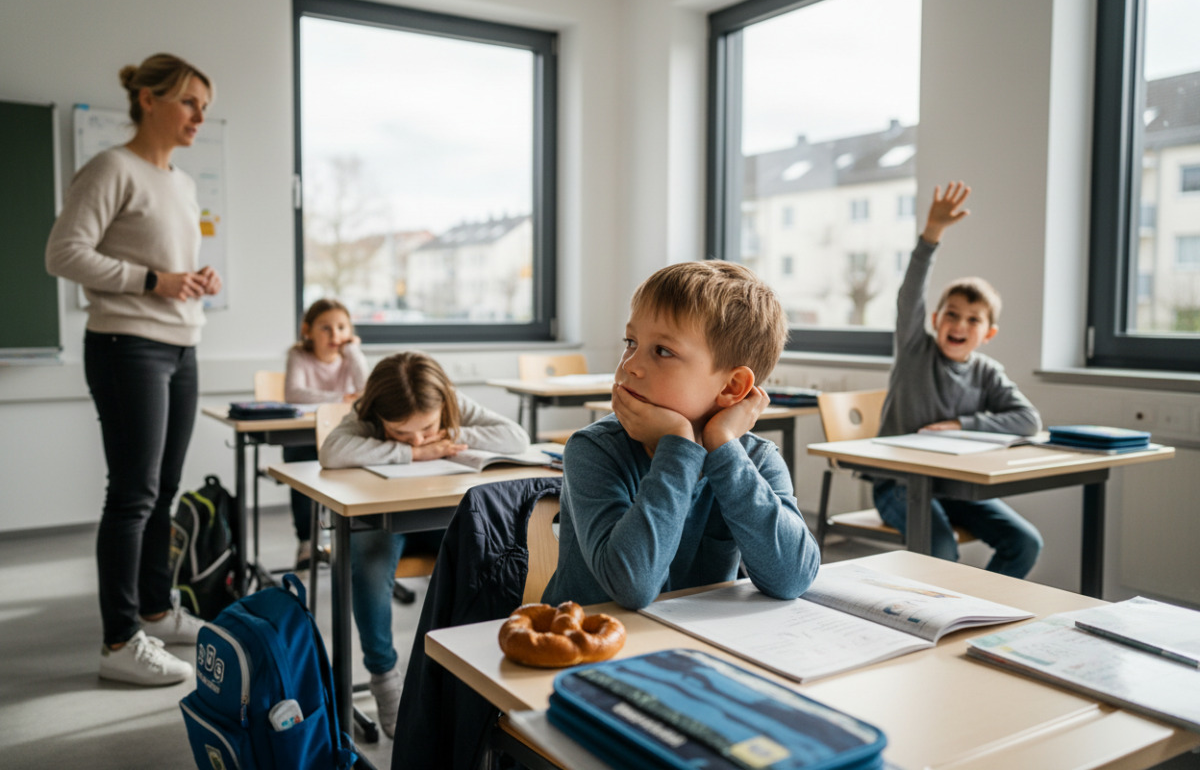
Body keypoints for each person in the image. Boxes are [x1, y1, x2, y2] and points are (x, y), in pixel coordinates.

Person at [45, 53, 220, 685]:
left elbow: (167, 271)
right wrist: (155, 280)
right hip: (127, 347)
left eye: (205, 104)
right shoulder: (111, 167)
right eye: (189, 102)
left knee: (164, 489)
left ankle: (155, 607)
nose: (200, 114)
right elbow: (63, 253)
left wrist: (192, 280)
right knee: (133, 495)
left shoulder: (184, 182)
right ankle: (119, 643)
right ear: (148, 99)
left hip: (182, 344)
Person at [542, 260, 821, 611]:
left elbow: (792, 578)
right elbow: (632, 587)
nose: (629, 365)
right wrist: (679, 443)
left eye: (662, 351)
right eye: (631, 342)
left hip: (699, 644)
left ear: (733, 387)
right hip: (593, 645)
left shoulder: (755, 459)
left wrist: (723, 446)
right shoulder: (594, 450)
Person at [318, 351, 528, 739]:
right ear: (379, 418)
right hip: (381, 520)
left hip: (435, 517)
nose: (416, 437)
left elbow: (517, 437)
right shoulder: (367, 413)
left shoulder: (449, 403)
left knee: (487, 549)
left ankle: (471, 673)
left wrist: (451, 435)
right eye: (400, 432)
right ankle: (384, 678)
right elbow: (332, 451)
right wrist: (413, 452)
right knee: (368, 568)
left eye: (426, 428)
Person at [874, 181, 1043, 578]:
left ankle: (983, 608)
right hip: (899, 484)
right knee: (941, 550)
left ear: (988, 333)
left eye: (973, 319)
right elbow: (909, 295)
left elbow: (1028, 420)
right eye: (951, 314)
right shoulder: (917, 350)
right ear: (935, 320)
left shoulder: (986, 371)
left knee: (1024, 543)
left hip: (955, 486)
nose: (959, 324)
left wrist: (963, 425)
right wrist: (931, 235)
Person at [282, 298, 368, 570]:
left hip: (339, 435)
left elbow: (367, 388)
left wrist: (354, 352)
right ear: (307, 330)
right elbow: (294, 394)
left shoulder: (348, 358)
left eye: (342, 328)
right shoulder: (298, 355)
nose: (335, 335)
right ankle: (307, 542)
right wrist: (341, 397)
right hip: (304, 437)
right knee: (302, 466)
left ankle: (353, 541)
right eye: (326, 328)